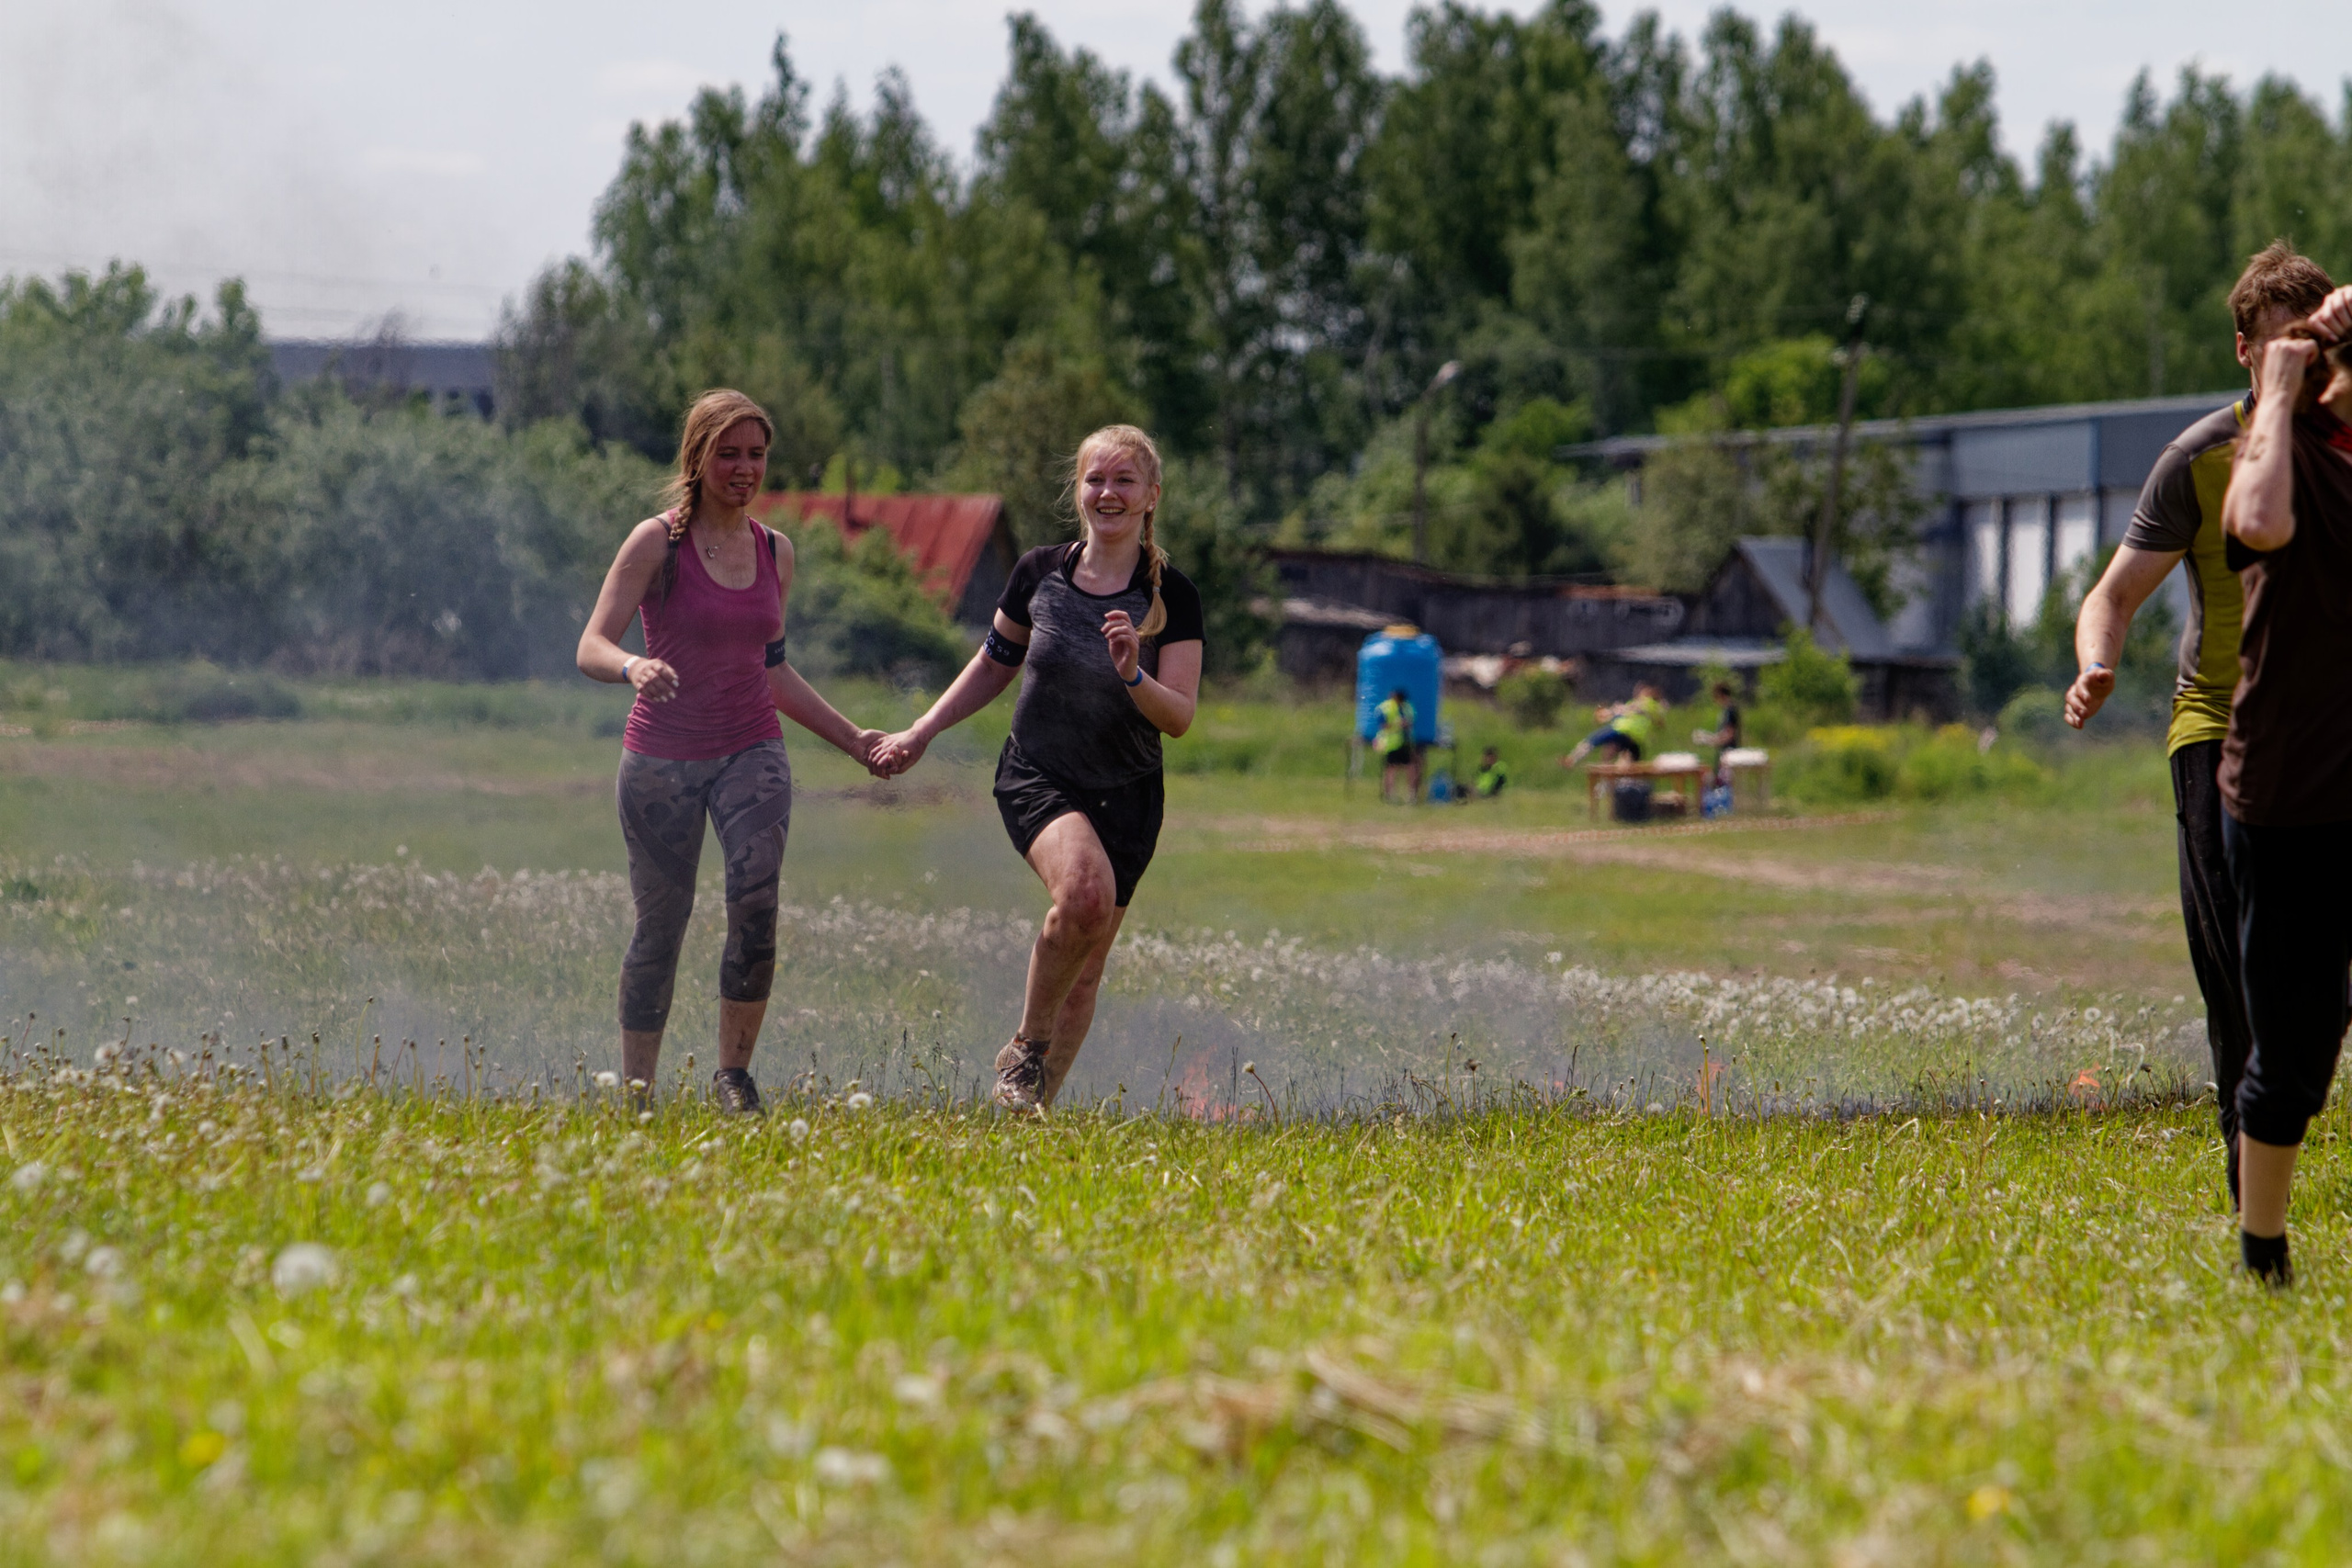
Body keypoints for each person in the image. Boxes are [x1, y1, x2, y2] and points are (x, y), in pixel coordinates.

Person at [2065, 243, 2338, 1208]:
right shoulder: (2199, 460)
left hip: (2332, 738)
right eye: (2281, 355)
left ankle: (2275, 1109)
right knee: (2239, 958)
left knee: (2318, 991)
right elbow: (2113, 594)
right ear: (2243, 354)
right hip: (2217, 732)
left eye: (2313, 350)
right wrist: (2096, 662)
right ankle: (2245, 1162)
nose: (2300, 372)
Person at [873, 424, 1204, 1113]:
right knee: (1083, 893)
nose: (1107, 493)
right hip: (1039, 774)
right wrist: (923, 729)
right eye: (1095, 479)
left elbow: (1177, 716)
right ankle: (1025, 1047)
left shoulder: (1173, 593)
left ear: (1151, 497)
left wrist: (1132, 674)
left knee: (1085, 974)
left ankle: (1028, 1112)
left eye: (1124, 481)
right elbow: (994, 662)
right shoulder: (1039, 573)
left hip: (1131, 793)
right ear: (1077, 489)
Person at [575, 389, 887, 1116]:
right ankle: (638, 1093)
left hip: (751, 747)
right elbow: (590, 643)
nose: (745, 469)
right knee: (662, 921)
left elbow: (771, 668)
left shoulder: (777, 550)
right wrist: (633, 667)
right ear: (698, 456)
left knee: (755, 897)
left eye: (756, 455)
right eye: (730, 454)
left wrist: (854, 741)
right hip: (661, 759)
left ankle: (733, 1078)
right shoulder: (656, 543)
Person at [2213, 292, 2352, 1285]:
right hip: (2292, 797)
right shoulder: (2283, 454)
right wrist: (2278, 379)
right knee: (2297, 1046)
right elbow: (2255, 526)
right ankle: (2262, 1251)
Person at [1564, 682, 1663, 770]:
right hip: (1634, 739)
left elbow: (1632, 708)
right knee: (1611, 757)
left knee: (1592, 740)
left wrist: (1608, 712)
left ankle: (1572, 759)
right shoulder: (1652, 709)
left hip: (1620, 731)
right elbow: (1658, 723)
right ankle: (1608, 787)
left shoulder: (1648, 703)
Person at [1693, 680, 1743, 786]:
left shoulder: (1730, 710)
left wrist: (1709, 740)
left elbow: (1729, 734)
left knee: (1724, 784)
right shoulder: (1726, 710)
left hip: (1728, 753)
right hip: (1724, 753)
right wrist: (1708, 737)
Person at [1375, 688, 1419, 803]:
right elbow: (1382, 725)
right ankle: (1389, 795)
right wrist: (1398, 724)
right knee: (1391, 769)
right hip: (1392, 743)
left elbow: (1412, 721)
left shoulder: (1407, 707)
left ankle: (1411, 795)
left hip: (1405, 741)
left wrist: (1406, 724)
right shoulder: (1386, 708)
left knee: (1410, 767)